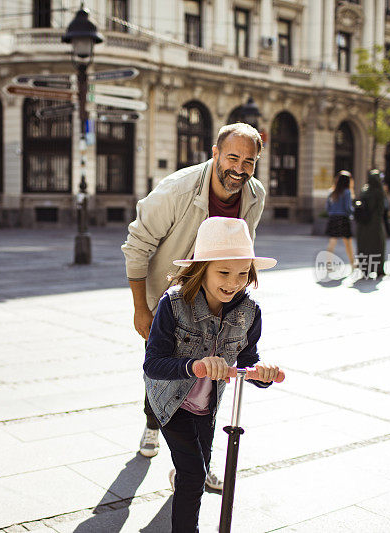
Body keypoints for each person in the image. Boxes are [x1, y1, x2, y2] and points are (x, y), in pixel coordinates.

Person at [122, 122, 266, 489]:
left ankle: (196, 465)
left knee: (211, 381)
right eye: (232, 157)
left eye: (248, 161)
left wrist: (241, 295)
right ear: (215, 153)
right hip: (169, 296)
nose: (239, 168)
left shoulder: (254, 195)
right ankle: (153, 424)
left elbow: (243, 247)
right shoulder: (177, 190)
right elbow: (137, 246)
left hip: (217, 296)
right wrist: (142, 309)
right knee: (164, 369)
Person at [143, 217, 282, 533]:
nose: (234, 283)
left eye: (243, 273)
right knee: (194, 475)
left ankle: (182, 476)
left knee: (198, 467)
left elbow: (247, 361)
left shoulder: (249, 311)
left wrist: (262, 374)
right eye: (223, 272)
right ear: (201, 268)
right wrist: (195, 365)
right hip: (170, 402)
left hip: (207, 406)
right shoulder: (174, 304)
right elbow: (153, 364)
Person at [355, 170, 387, 279]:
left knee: (364, 246)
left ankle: (365, 269)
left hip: (363, 225)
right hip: (375, 225)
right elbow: (381, 209)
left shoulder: (365, 190)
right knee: (377, 247)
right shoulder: (379, 192)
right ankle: (378, 269)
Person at [325, 170, 356, 270]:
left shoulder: (331, 191)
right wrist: (353, 213)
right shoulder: (347, 192)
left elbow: (327, 207)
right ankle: (352, 264)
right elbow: (348, 208)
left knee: (332, 241)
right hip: (343, 218)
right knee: (348, 243)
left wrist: (332, 213)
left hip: (333, 218)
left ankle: (328, 264)